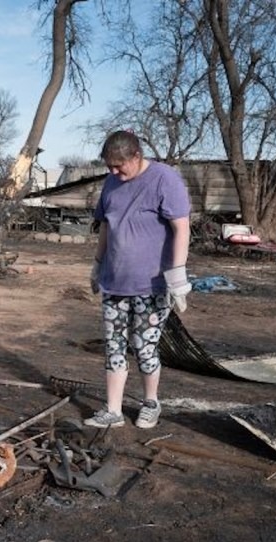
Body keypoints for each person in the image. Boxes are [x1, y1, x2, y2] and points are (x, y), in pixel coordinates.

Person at [85, 130, 191, 429]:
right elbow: (106, 226)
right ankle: (113, 411)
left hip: (151, 284)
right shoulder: (111, 183)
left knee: (144, 347)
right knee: (113, 346)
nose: (114, 172)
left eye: (120, 166)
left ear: (137, 156)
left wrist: (177, 275)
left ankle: (150, 402)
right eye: (109, 166)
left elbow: (181, 227)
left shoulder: (164, 179)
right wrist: (96, 264)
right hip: (114, 281)